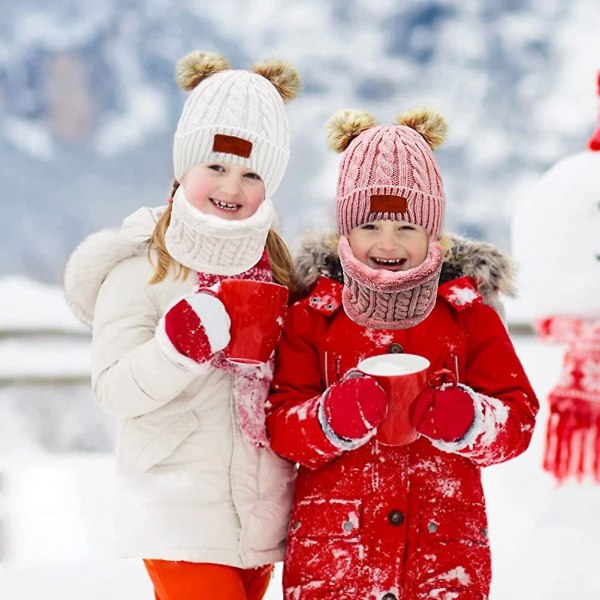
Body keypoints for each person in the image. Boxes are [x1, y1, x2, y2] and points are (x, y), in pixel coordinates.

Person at [266, 107, 539, 599]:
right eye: (369, 226)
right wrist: (329, 418)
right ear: (344, 230)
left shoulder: (466, 313)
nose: (386, 243)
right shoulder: (315, 315)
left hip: (440, 564)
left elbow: (517, 420)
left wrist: (472, 421)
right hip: (337, 562)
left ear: (432, 232)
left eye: (406, 228)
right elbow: (281, 424)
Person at [64, 50, 300, 600]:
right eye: (215, 166)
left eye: (251, 173)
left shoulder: (279, 271)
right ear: (183, 166)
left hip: (258, 514)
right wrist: (175, 349)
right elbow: (113, 389)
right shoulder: (141, 267)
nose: (232, 186)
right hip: (174, 510)